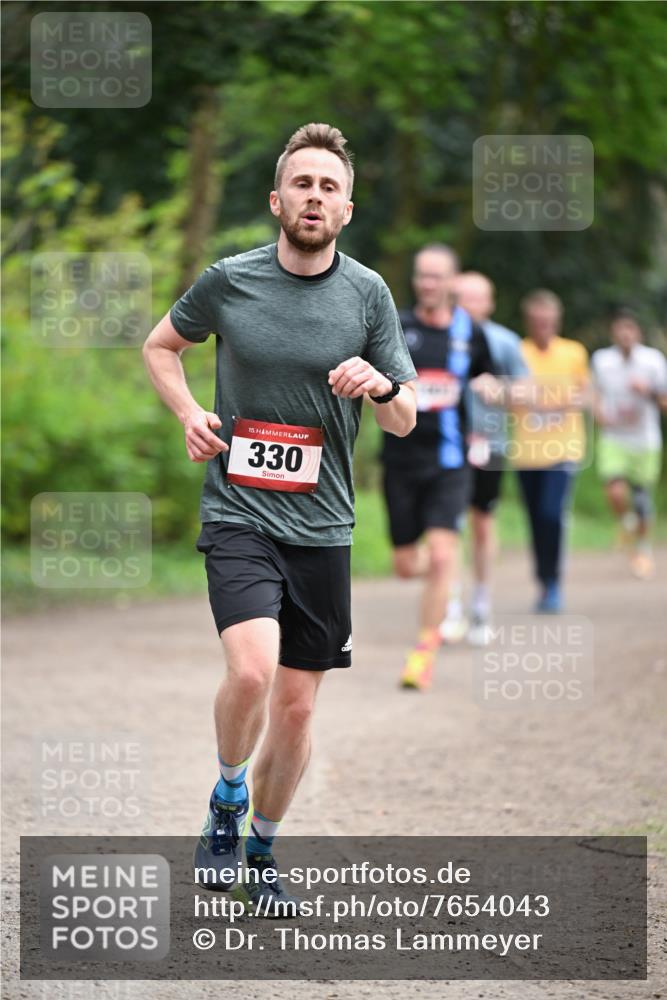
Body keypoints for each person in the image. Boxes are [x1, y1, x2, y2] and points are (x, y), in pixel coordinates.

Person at [142, 123, 416, 913]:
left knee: (296, 708)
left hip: (323, 528)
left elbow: (405, 419)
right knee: (253, 671)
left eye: (328, 187)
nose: (314, 197)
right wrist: (190, 411)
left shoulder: (367, 295)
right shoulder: (229, 280)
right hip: (239, 513)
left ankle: (260, 849)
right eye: (302, 184)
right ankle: (227, 797)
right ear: (276, 198)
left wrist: (382, 387)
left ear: (347, 208)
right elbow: (162, 347)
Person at [379, 244, 495, 690]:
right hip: (401, 461)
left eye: (436, 277)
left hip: (451, 462)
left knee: (444, 553)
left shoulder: (471, 333)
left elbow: (486, 380)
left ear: (452, 281)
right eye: (421, 276)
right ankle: (447, 581)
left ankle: (423, 654)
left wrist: (491, 401)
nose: (428, 284)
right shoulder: (398, 327)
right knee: (407, 566)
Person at [450, 271, 529, 644]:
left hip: (490, 445)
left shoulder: (506, 342)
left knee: (482, 523)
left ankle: (481, 606)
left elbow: (526, 394)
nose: (469, 305)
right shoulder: (443, 336)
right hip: (447, 443)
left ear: (490, 302)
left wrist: (501, 390)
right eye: (462, 297)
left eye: (476, 298)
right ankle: (450, 606)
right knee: (446, 525)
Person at [511, 290, 590, 613]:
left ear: (556, 321)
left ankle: (554, 580)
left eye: (548, 321)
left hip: (563, 449)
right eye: (537, 321)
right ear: (530, 322)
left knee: (551, 513)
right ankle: (544, 582)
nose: (543, 326)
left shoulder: (574, 352)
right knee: (535, 519)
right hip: (526, 452)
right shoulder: (517, 351)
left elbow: (585, 395)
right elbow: (510, 394)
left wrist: (551, 401)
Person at [592, 307, 667, 579]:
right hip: (615, 437)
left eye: (630, 328)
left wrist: (647, 391)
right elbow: (595, 394)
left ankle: (643, 548)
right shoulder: (601, 360)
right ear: (613, 331)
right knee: (614, 491)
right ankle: (627, 522)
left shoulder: (654, 361)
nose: (625, 334)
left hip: (645, 440)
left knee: (642, 498)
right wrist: (598, 411)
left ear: (638, 332)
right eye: (620, 328)